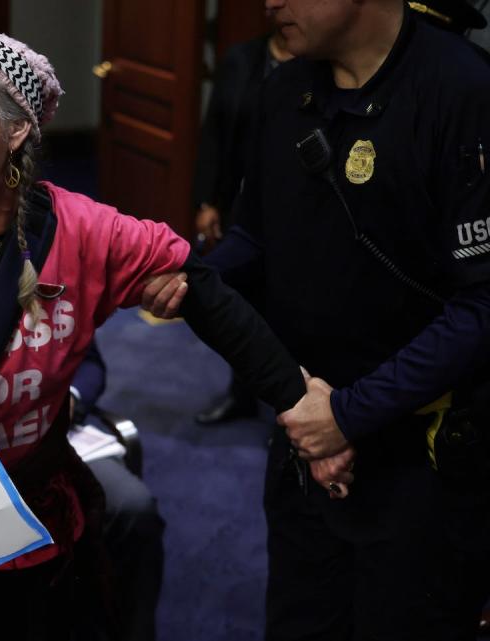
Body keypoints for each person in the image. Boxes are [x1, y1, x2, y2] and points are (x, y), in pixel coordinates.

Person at [0, 29, 309, 640]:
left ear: (16, 130)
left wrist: (301, 405)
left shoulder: (85, 230)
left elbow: (205, 291)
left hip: (36, 517)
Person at [205, 1, 490, 638]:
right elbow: (259, 238)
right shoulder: (283, 90)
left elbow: (482, 306)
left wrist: (347, 415)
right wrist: (183, 275)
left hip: (423, 466)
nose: (270, 1)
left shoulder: (464, 90)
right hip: (305, 444)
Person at [191, 26, 294, 424]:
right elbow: (215, 134)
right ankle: (242, 395)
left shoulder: (319, 63)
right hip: (241, 205)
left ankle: (292, 409)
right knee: (240, 303)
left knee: (287, 309)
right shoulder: (241, 59)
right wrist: (207, 201)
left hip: (293, 208)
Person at [70, 339, 165, 641]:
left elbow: (89, 362)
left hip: (60, 434)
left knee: (134, 507)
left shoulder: (55, 291)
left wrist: (72, 398)